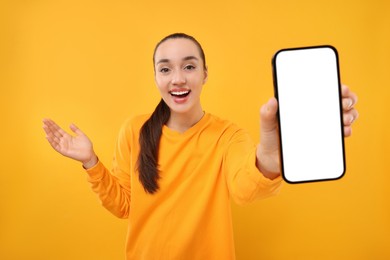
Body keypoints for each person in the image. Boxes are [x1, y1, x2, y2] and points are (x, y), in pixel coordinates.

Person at [42, 33, 359, 259]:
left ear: (205, 74)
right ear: (155, 77)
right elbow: (124, 205)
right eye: (165, 69)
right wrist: (91, 162)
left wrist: (270, 159)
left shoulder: (227, 135)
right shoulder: (134, 130)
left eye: (189, 66)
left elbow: (245, 188)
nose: (177, 78)